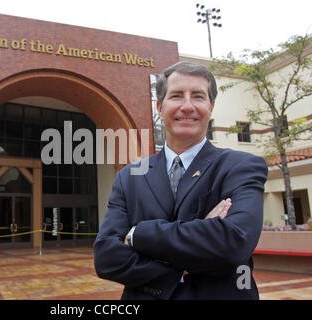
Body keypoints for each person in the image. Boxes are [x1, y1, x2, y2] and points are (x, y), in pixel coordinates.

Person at [93, 61, 268, 299]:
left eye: (197, 96)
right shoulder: (129, 177)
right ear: (159, 107)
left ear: (211, 106)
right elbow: (106, 258)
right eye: (176, 96)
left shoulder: (242, 167)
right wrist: (184, 262)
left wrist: (137, 234)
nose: (187, 106)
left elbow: (234, 243)